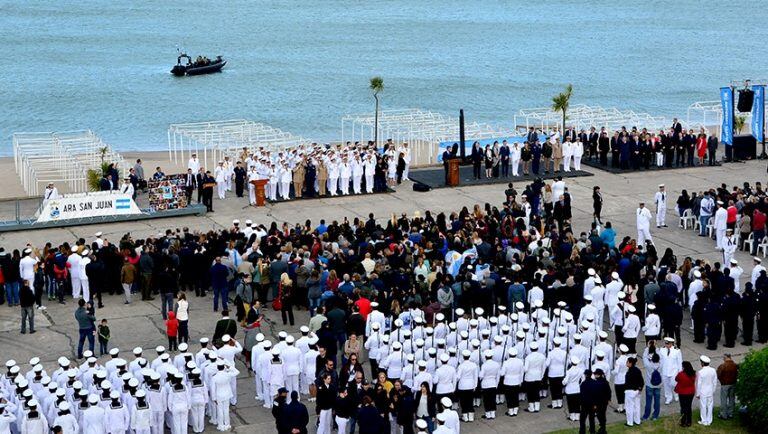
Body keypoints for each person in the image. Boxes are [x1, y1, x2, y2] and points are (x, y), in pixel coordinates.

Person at [696, 355, 718, 426]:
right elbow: (714, 382)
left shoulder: (701, 372)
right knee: (710, 405)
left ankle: (704, 420)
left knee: (703, 406)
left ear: (702, 363)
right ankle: (709, 420)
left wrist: (698, 394)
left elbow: (699, 384)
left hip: (703, 391)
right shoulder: (713, 370)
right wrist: (713, 390)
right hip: (710, 390)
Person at [716, 354, 738, 420]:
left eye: (723, 358)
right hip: (733, 383)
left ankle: (723, 414)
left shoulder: (722, 366)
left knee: (724, 399)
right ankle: (730, 413)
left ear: (725, 357)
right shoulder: (735, 365)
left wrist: (721, 381)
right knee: (732, 399)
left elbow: (718, 375)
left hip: (725, 384)